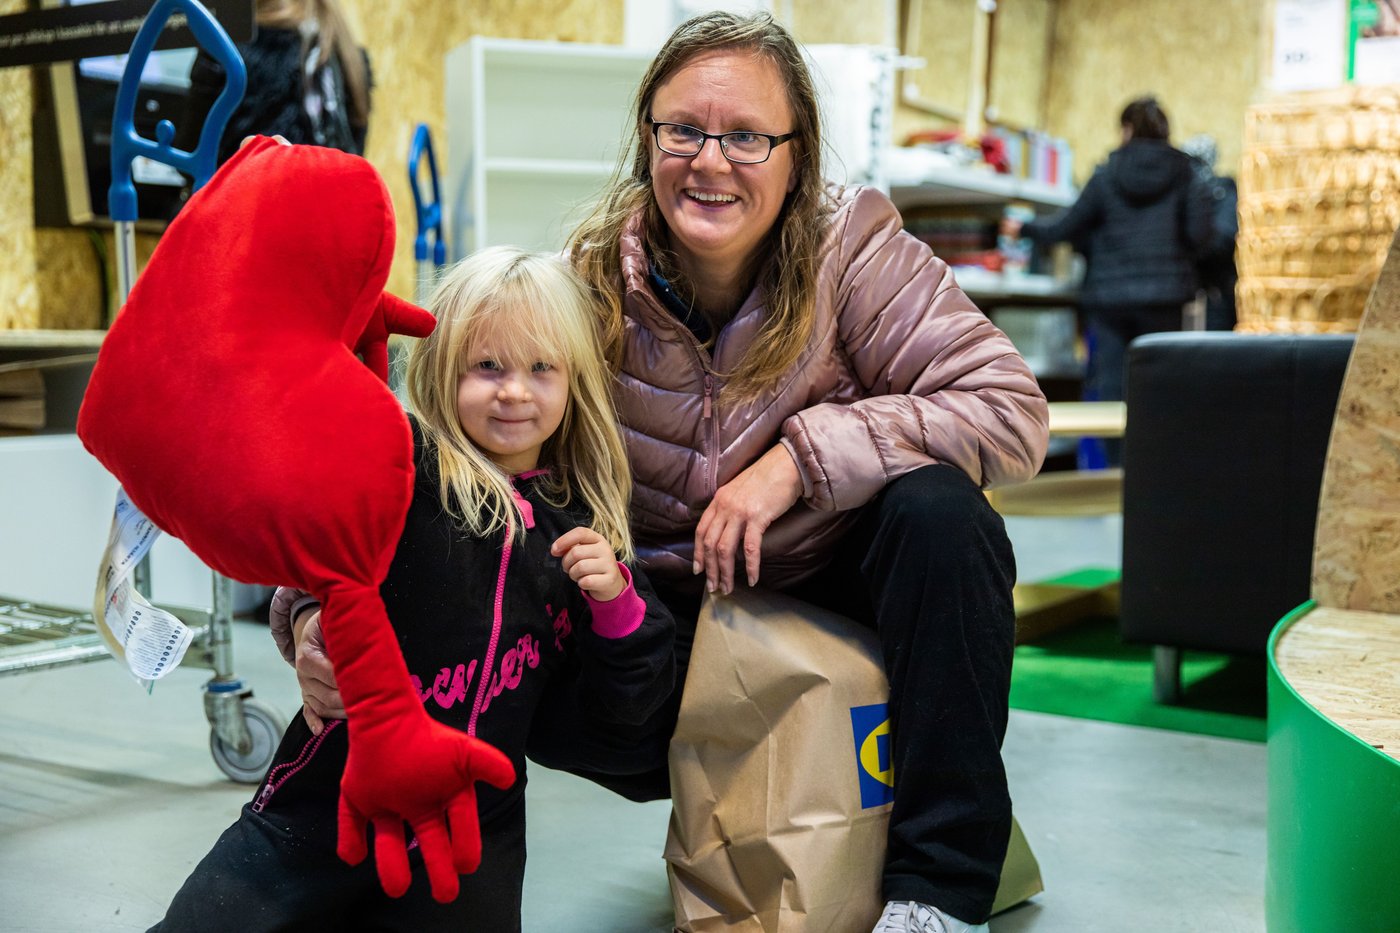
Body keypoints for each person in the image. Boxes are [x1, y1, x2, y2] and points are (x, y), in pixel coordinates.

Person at [276, 11, 1048, 933]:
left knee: (943, 515)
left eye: (749, 136)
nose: (710, 160)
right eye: (683, 129)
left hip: (830, 584)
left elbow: (1010, 409)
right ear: (647, 140)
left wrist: (795, 464)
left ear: (797, 154)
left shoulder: (858, 249)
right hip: (659, 636)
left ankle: (939, 895)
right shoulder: (591, 280)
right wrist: (311, 613)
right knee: (497, 549)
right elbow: (435, 446)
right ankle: (403, 874)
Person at [154, 247, 676, 932]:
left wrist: (618, 609)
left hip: (467, 835)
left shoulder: (580, 530)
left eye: (540, 368)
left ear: (573, 379)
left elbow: (624, 716)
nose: (514, 390)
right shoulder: (405, 468)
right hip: (321, 806)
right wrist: (310, 615)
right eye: (488, 365)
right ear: (443, 367)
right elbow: (323, 548)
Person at [1002, 96, 1212, 464]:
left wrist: (1025, 228)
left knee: (1113, 389)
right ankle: (1157, 470)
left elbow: (1067, 226)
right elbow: (1200, 235)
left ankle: (1114, 473)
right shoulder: (1186, 174)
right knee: (1161, 385)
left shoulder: (1106, 174)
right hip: (1166, 298)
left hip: (1111, 300)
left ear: (1126, 130)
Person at [176, 0, 372, 168]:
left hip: (241, 206)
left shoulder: (231, 46)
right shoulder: (351, 59)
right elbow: (354, 158)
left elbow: (190, 157)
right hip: (324, 208)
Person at [1181, 133, 1239, 332]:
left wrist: (1191, 251)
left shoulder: (1221, 193)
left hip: (1215, 292)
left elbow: (1224, 238)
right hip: (1195, 290)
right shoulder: (1186, 194)